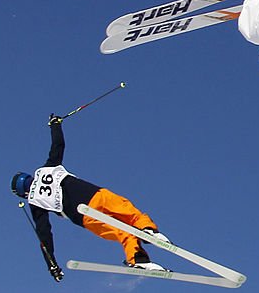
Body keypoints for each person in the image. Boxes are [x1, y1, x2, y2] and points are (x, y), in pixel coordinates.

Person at [11, 115, 169, 282]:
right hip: (96, 194)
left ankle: (138, 259)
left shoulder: (35, 201)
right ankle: (149, 230)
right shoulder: (46, 169)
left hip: (83, 213)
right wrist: (55, 125)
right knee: (131, 212)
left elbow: (45, 234)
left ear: (23, 193)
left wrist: (52, 264)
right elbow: (58, 146)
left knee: (122, 230)